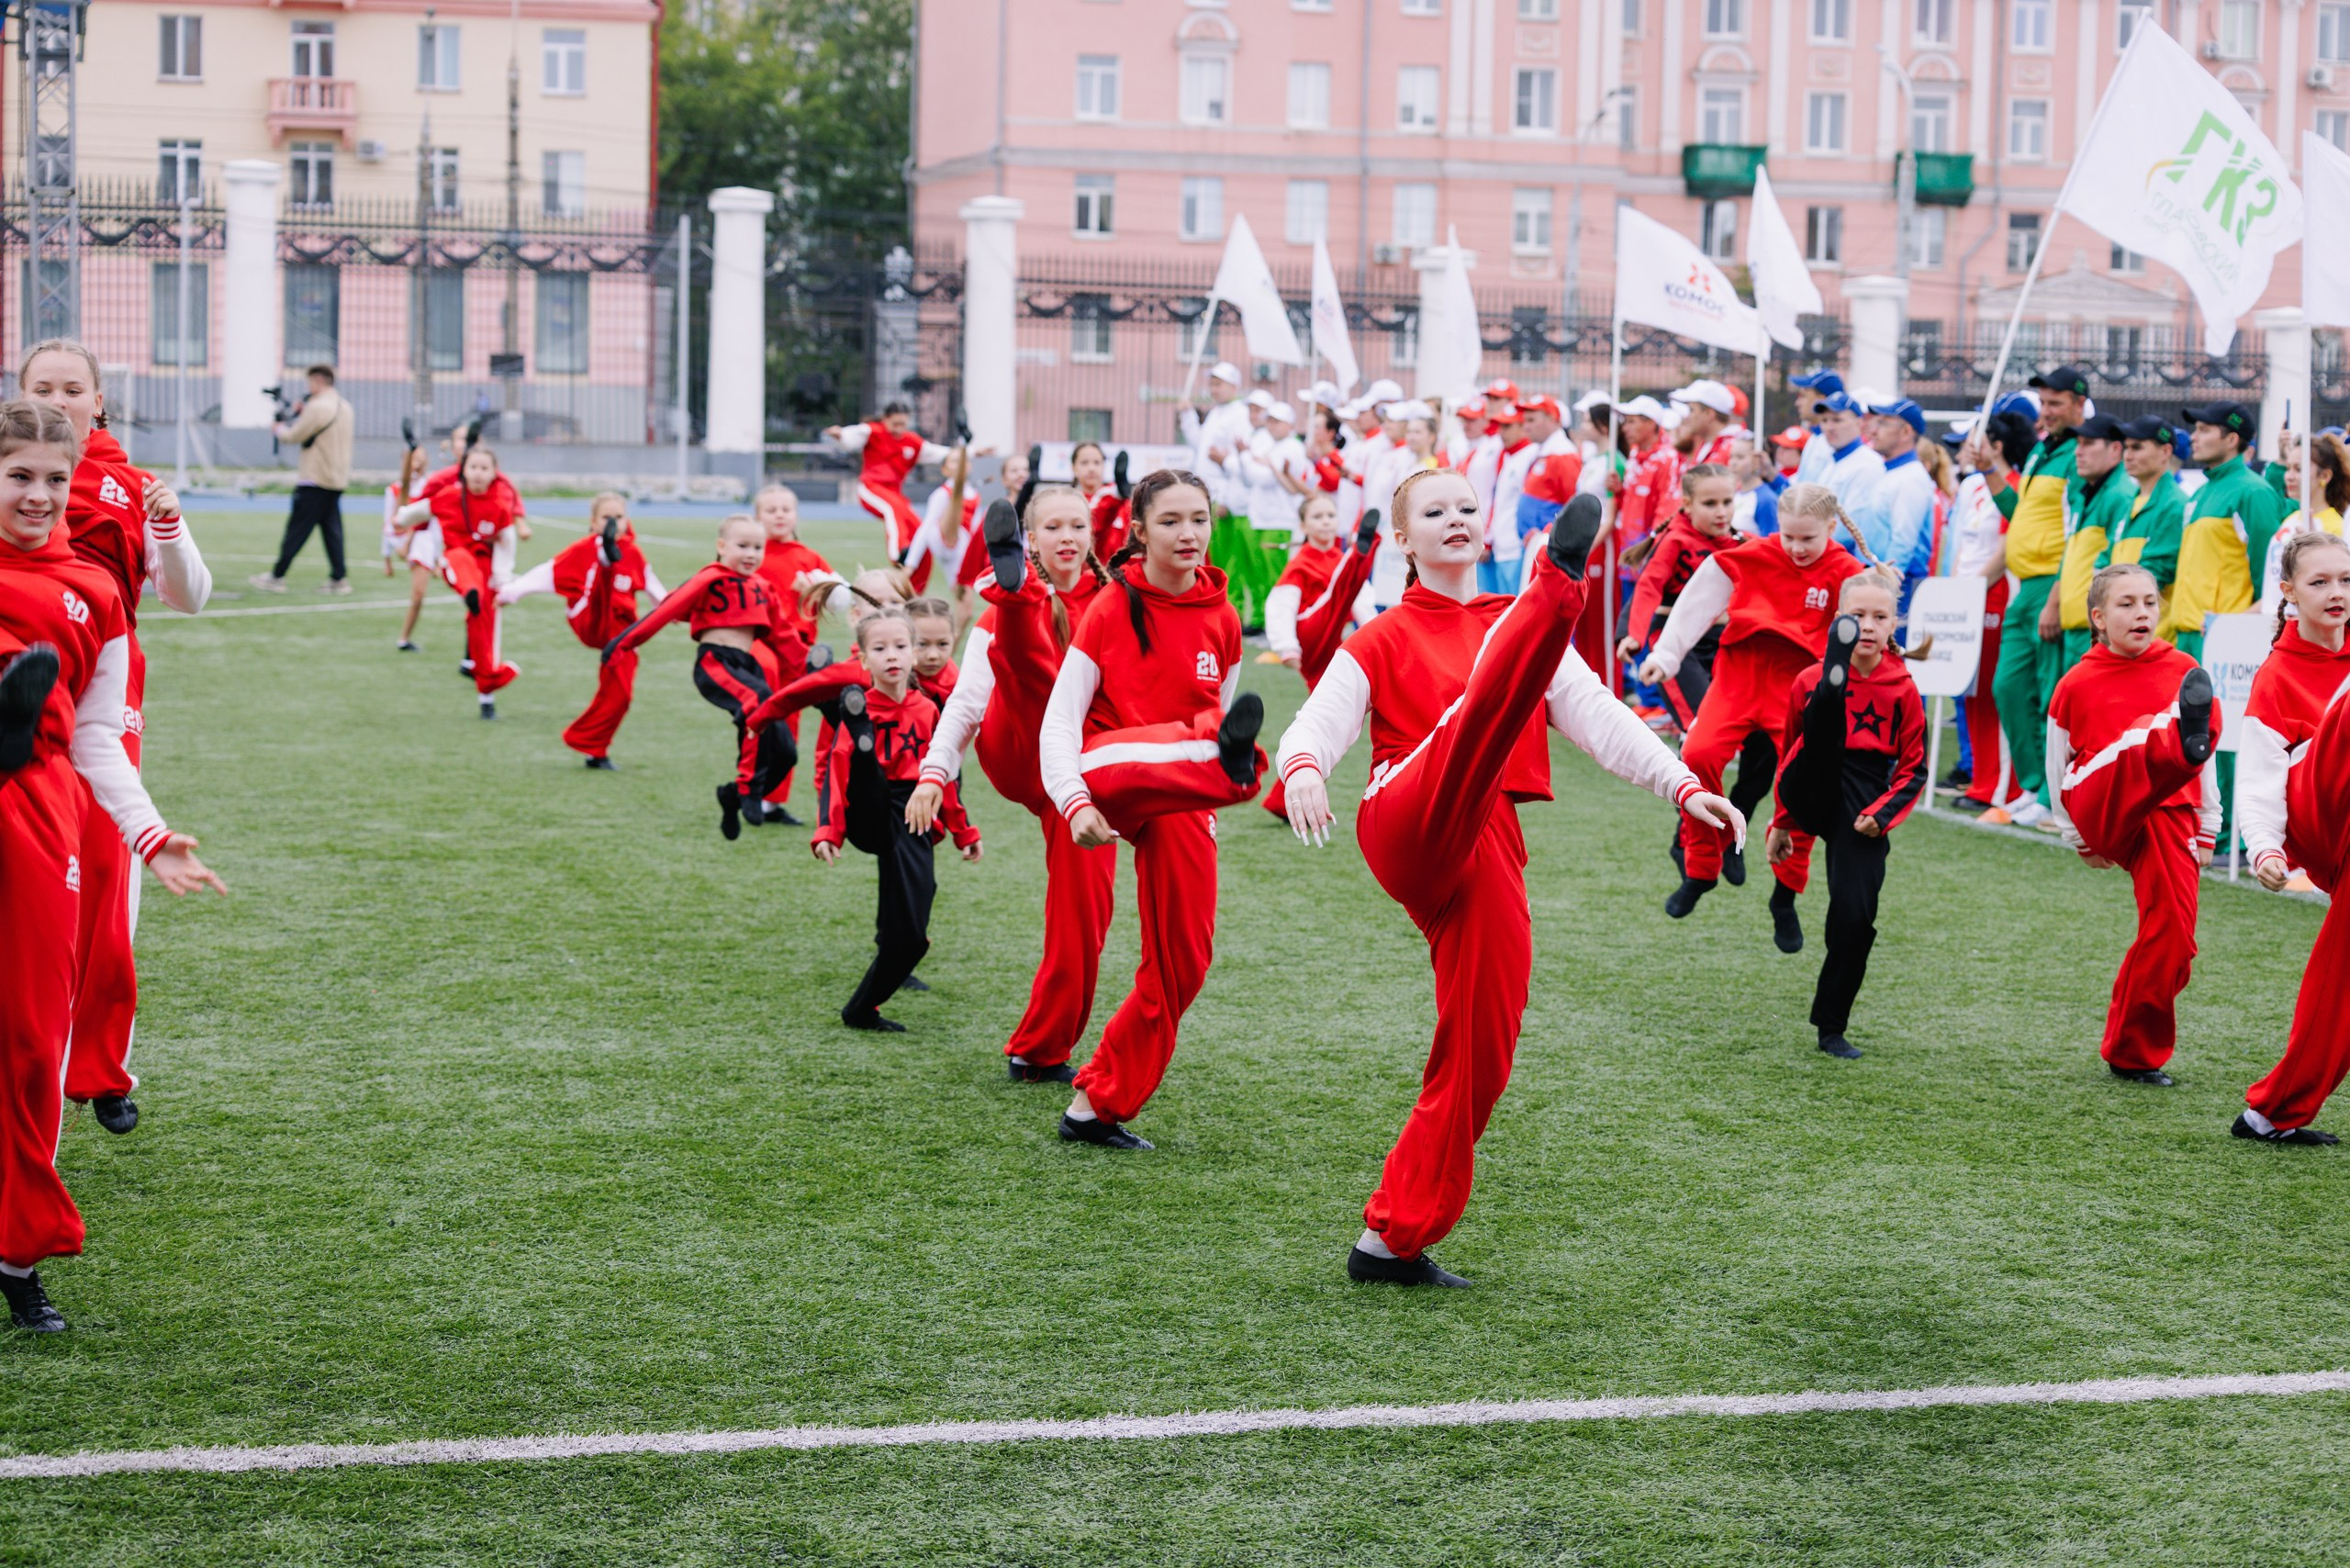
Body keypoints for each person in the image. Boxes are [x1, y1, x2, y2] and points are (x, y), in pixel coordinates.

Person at [1276, 481, 1735, 1287]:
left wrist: (1682, 785)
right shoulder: (1383, 636)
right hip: (1408, 814)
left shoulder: (1512, 634)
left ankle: (1393, 1239)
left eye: (1465, 508)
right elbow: (1315, 723)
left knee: (1483, 1049)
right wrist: (1304, 766)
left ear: (1483, 529)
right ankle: (1559, 585)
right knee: (1476, 712)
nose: (1455, 519)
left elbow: (1600, 715)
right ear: (1403, 542)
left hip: (1489, 837)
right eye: (1433, 513)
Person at [0, 398, 226, 1333]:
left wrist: (149, 834)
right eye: (19, 475)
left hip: (39, 814)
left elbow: (98, 737)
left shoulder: (94, 590)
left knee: (31, 1041)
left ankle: (16, 1253)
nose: (39, 495)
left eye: (55, 479)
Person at [1036, 469, 1267, 1151]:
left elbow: (1220, 708)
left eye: (1199, 519)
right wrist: (1073, 800)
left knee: (1185, 961)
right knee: (1209, 751)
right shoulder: (1111, 607)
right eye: (1170, 521)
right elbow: (1059, 722)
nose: (1188, 533)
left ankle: (1096, 1105)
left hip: (1183, 785)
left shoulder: (1223, 617)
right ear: (1138, 531)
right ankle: (1229, 769)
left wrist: (1207, 785)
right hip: (1109, 771)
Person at [18, 342, 212, 1138]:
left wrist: (168, 525)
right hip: (18, 671)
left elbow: (189, 596)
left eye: (73, 388)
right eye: (42, 387)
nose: (58, 400)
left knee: (106, 873)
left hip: (101, 679)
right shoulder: (11, 474)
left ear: (99, 400)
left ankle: (99, 1067)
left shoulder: (132, 485)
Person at [912, 491, 1115, 1081]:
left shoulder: (1114, 603)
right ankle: (1022, 596)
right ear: (1031, 540)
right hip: (1019, 746)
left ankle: (1040, 1051)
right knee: (1030, 659)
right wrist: (934, 772)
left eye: (1077, 526)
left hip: (1079, 772)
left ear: (1092, 536)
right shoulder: (991, 616)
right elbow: (966, 703)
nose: (1067, 537)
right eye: (1052, 527)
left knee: (1085, 919)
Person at [1639, 484, 1867, 948]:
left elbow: (1870, 631)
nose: (1797, 548)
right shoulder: (1752, 554)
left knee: (1804, 782)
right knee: (1697, 754)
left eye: (1808, 539)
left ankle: (1785, 895)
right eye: (1789, 537)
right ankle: (1701, 868)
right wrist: (1666, 655)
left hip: (1800, 686)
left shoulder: (1849, 573)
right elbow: (1699, 598)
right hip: (1739, 676)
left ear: (1831, 527)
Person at [2047, 563, 2220, 1089]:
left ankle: (2130, 1049)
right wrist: (2076, 835)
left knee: (2175, 942)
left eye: (2149, 602)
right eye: (2127, 604)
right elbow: (2058, 766)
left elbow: (2206, 758)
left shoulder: (2183, 668)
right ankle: (2156, 740)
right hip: (2103, 804)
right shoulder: (2076, 683)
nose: (2142, 612)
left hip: (2168, 810)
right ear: (2099, 618)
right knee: (2141, 741)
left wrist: (2208, 824)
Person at [1764, 572, 1926, 1060]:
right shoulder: (1805, 680)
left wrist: (1881, 815)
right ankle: (1833, 692)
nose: (1869, 625)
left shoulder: (1904, 689)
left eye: (1880, 616)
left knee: (1855, 917)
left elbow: (1914, 769)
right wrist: (1782, 821)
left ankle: (1831, 1025)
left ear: (1894, 624)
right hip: (1814, 776)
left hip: (1864, 795)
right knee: (1819, 724)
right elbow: (1790, 753)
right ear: (1839, 621)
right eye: (1857, 616)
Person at [811, 610, 980, 1033]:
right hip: (870, 807)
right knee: (862, 764)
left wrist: (964, 831)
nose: (892, 655)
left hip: (915, 815)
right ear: (863, 659)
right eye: (880, 648)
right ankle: (863, 739)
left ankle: (861, 1009)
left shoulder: (928, 710)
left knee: (910, 939)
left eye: (901, 646)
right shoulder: (864, 708)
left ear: (913, 654)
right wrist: (828, 831)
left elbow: (945, 778)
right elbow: (835, 771)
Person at [2237, 532, 2350, 1142]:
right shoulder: (2277, 674)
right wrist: (2265, 848)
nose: (2337, 593)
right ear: (2288, 591)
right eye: (2320, 582)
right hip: (2319, 812)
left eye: (2347, 580)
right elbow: (2259, 780)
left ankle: (2273, 1113)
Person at [608, 513, 807, 840]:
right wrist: (623, 643)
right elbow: (667, 611)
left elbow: (786, 640)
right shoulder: (710, 578)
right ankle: (749, 786)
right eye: (742, 546)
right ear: (721, 546)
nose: (751, 554)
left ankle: (733, 795)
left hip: (748, 668)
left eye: (758, 547)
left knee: (786, 751)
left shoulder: (763, 588)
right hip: (716, 662)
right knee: (757, 702)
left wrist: (819, 676)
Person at [1982, 366, 2090, 826]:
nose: (2046, 411)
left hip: (2051, 583)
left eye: (2056, 403)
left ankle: (2049, 793)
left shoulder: (2077, 455)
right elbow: (2020, 513)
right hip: (2025, 586)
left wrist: (2058, 596)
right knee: (2008, 687)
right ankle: (2033, 786)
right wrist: (1988, 469)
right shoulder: (2042, 452)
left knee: (2049, 692)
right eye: (2043, 403)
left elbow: (2076, 530)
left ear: (2079, 404)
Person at [496, 493, 666, 769]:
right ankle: (605, 562)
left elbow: (654, 587)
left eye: (619, 517)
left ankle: (593, 746)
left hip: (619, 632)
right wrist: (509, 593)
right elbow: (547, 572)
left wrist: (674, 610)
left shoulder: (634, 554)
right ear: (594, 522)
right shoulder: (582, 550)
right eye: (607, 518)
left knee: (621, 695)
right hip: (589, 618)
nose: (614, 523)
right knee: (600, 587)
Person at [396, 445, 523, 718]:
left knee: (485, 626)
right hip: (456, 558)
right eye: (473, 467)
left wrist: (502, 580)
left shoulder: (499, 505)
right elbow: (417, 511)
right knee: (464, 568)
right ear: (463, 471)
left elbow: (506, 542)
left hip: (487, 569)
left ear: (494, 474)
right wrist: (402, 517)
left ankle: (487, 689)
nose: (478, 473)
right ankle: (470, 592)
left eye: (484, 468)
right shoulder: (449, 496)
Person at [249, 364, 354, 595]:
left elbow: (293, 435)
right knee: (332, 531)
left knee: (297, 529)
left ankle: (277, 576)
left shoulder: (317, 407)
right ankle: (339, 578)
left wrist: (278, 429)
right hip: (336, 478)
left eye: (310, 382)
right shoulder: (345, 407)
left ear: (318, 381)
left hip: (315, 478)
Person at [826, 402, 962, 566]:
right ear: (885, 420)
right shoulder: (874, 432)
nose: (898, 429)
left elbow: (941, 452)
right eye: (895, 424)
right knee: (893, 509)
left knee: (918, 529)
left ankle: (915, 575)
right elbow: (854, 434)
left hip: (895, 493)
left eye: (902, 424)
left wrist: (972, 452)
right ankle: (898, 553)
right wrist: (841, 435)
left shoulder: (912, 441)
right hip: (872, 487)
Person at [2056, 414, 2132, 674]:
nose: (2078, 452)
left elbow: (2118, 566)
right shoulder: (2086, 493)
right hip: (2077, 624)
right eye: (2078, 444)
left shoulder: (2120, 495)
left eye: (2088, 443)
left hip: (2095, 629)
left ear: (2115, 449)